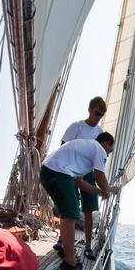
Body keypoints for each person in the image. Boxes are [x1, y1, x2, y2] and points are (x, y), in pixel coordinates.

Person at [40, 132, 118, 270]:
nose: (108, 156)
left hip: (48, 172)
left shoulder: (84, 151)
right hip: (57, 173)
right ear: (106, 144)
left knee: (67, 210)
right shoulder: (99, 149)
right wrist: (108, 190)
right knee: (71, 212)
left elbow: (78, 182)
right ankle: (70, 263)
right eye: (110, 151)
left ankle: (65, 249)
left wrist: (101, 192)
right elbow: (99, 176)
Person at [55, 96, 107, 260]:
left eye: (102, 115)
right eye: (97, 113)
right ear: (90, 109)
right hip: (71, 171)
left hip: (89, 173)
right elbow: (63, 146)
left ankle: (88, 247)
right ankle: (61, 240)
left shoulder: (100, 133)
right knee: (69, 206)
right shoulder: (76, 127)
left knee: (89, 210)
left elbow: (100, 154)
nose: (99, 118)